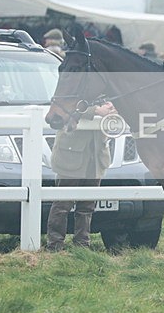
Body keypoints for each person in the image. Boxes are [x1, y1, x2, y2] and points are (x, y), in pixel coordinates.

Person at [46, 102, 115, 251]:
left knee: (87, 205)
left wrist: (114, 107)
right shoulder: (74, 83)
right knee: (62, 204)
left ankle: (82, 245)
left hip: (96, 155)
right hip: (71, 155)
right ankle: (55, 245)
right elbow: (65, 107)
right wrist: (95, 110)